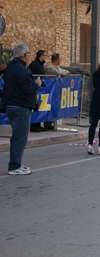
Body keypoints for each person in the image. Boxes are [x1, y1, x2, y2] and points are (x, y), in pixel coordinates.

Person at [3, 43, 42, 175]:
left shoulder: (10, 68)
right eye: (29, 53)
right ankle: (14, 166)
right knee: (20, 137)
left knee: (17, 136)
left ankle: (16, 163)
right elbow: (28, 90)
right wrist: (37, 85)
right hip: (21, 106)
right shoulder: (22, 70)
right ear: (25, 55)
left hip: (11, 105)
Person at [44, 53, 70, 130]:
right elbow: (59, 73)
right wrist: (65, 73)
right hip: (49, 90)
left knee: (53, 106)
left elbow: (63, 71)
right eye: (60, 59)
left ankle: (50, 123)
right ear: (57, 59)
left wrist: (66, 72)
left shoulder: (57, 67)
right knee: (48, 106)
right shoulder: (49, 67)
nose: (60, 60)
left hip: (55, 90)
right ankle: (47, 123)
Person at [28, 49, 48, 132]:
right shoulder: (34, 64)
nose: (46, 57)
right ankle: (34, 125)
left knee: (40, 107)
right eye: (45, 55)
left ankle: (38, 123)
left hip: (40, 88)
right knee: (35, 106)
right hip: (35, 88)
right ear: (41, 56)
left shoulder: (40, 65)